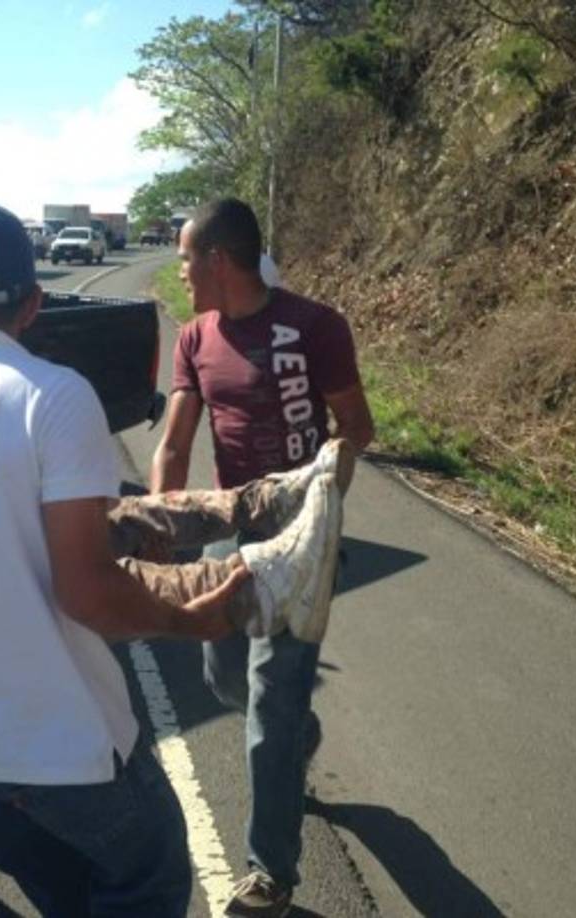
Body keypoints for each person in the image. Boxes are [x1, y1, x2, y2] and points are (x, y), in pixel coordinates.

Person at [0, 197, 347, 917]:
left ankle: (259, 504)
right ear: (32, 304)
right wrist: (188, 620)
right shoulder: (50, 396)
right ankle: (265, 580)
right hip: (56, 740)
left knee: (68, 899)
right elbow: (85, 591)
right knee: (150, 884)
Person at [151, 197, 375, 917]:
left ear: (218, 260)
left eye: (185, 258)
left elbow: (355, 426)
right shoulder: (193, 337)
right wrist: (160, 525)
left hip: (298, 538)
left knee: (271, 704)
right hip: (228, 529)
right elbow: (176, 443)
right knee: (221, 677)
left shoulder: (313, 327)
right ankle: (296, 737)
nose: (179, 271)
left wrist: (318, 512)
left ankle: (268, 874)